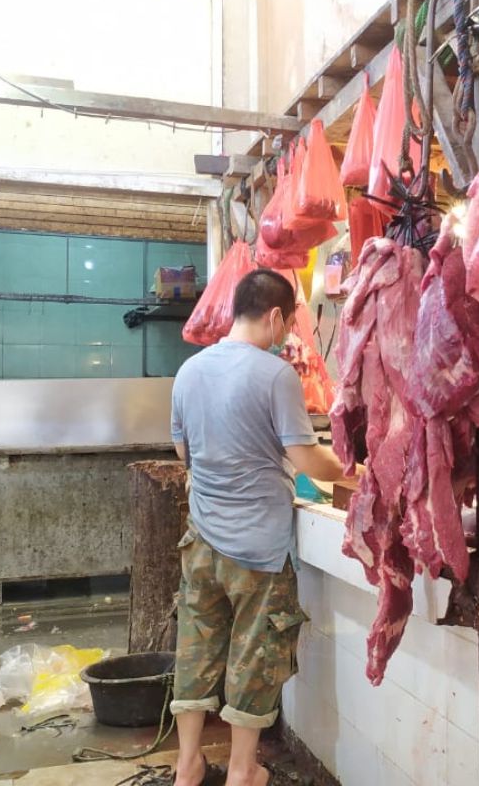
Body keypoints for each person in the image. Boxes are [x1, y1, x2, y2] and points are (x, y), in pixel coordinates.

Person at [170, 269, 358, 786]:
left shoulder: (189, 371)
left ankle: (187, 765)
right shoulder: (276, 375)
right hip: (258, 548)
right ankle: (241, 769)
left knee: (197, 646)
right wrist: (356, 472)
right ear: (275, 317)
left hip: (202, 540)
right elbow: (305, 457)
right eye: (292, 320)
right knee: (254, 655)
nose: (290, 332)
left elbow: (184, 452)